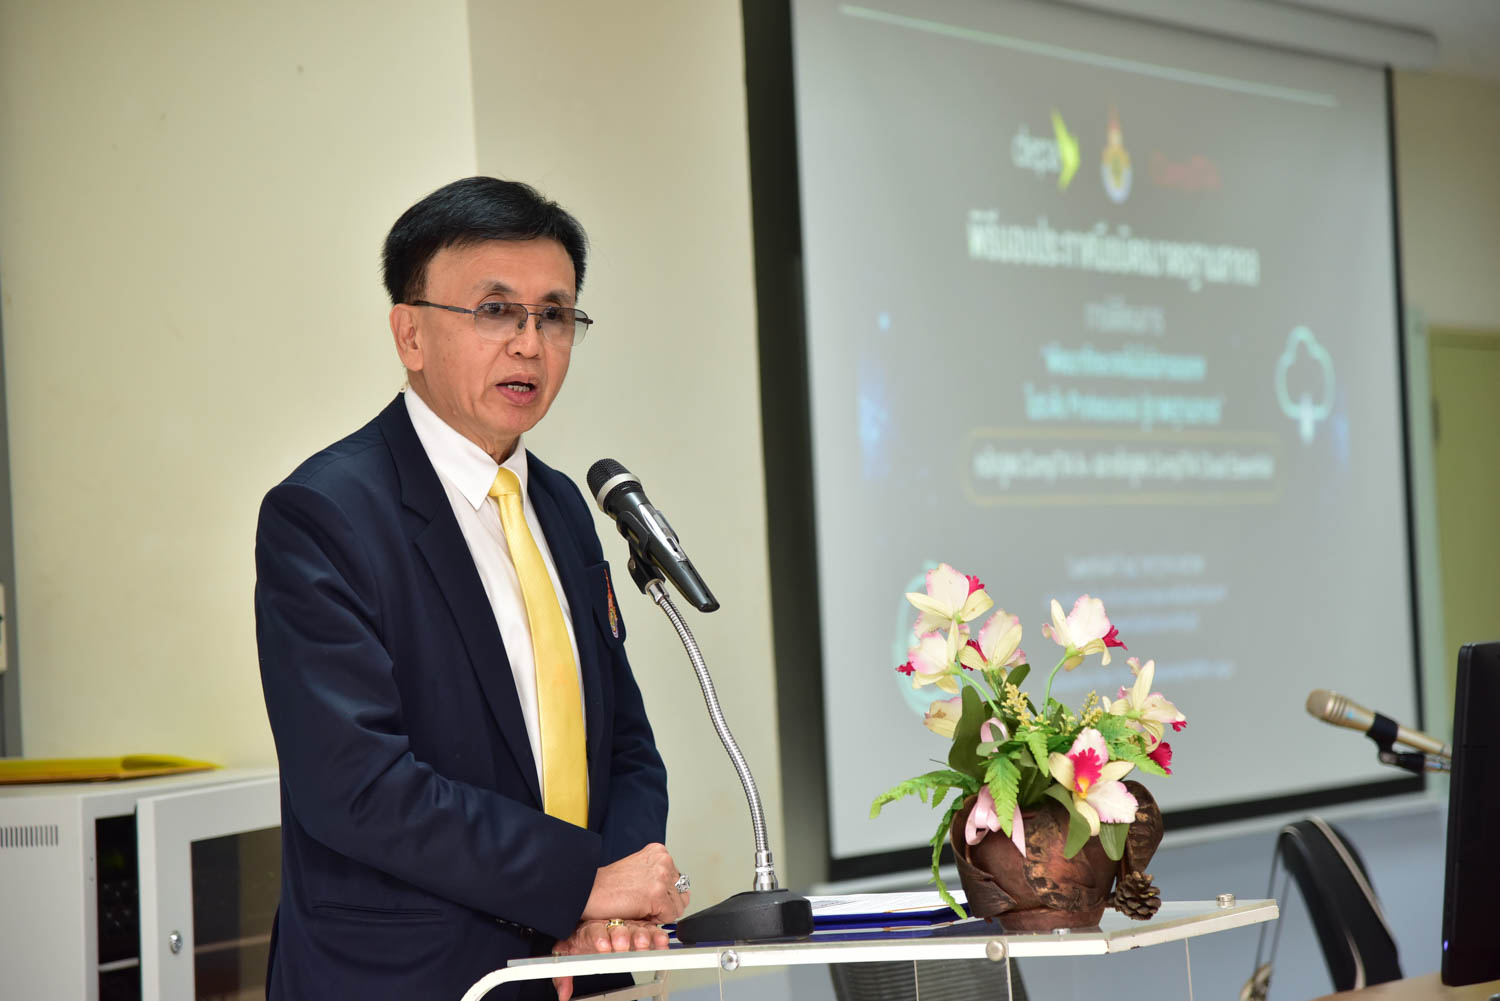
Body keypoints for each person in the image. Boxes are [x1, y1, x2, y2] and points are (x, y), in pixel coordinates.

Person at [255, 177, 686, 1001]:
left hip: (570, 969)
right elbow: (356, 784)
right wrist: (581, 884)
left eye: (554, 314)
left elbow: (623, 745)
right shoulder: (326, 513)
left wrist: (610, 905)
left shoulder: (561, 505)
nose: (530, 343)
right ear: (410, 334)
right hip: (406, 979)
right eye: (495, 311)